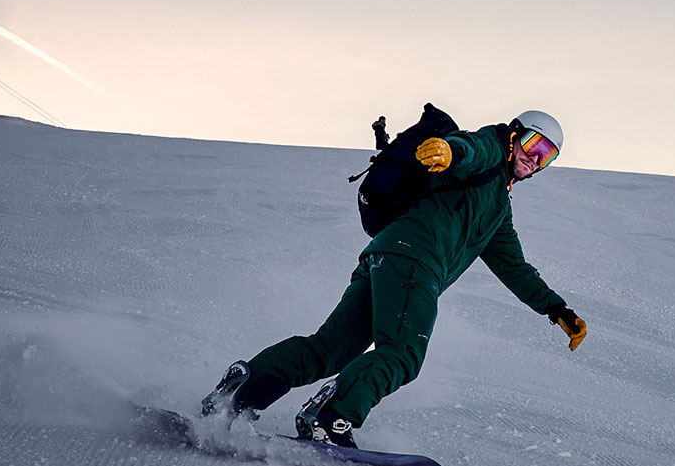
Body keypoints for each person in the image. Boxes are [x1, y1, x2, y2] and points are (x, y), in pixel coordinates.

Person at [200, 110, 587, 448]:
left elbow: (514, 268)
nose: (534, 160)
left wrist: (557, 310)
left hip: (386, 258)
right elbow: (471, 149)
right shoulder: (490, 148)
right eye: (534, 145)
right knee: (403, 353)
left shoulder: (498, 207)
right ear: (516, 134)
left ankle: (239, 393)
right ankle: (331, 418)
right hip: (414, 261)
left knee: (329, 350)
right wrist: (450, 151)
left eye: (546, 157)